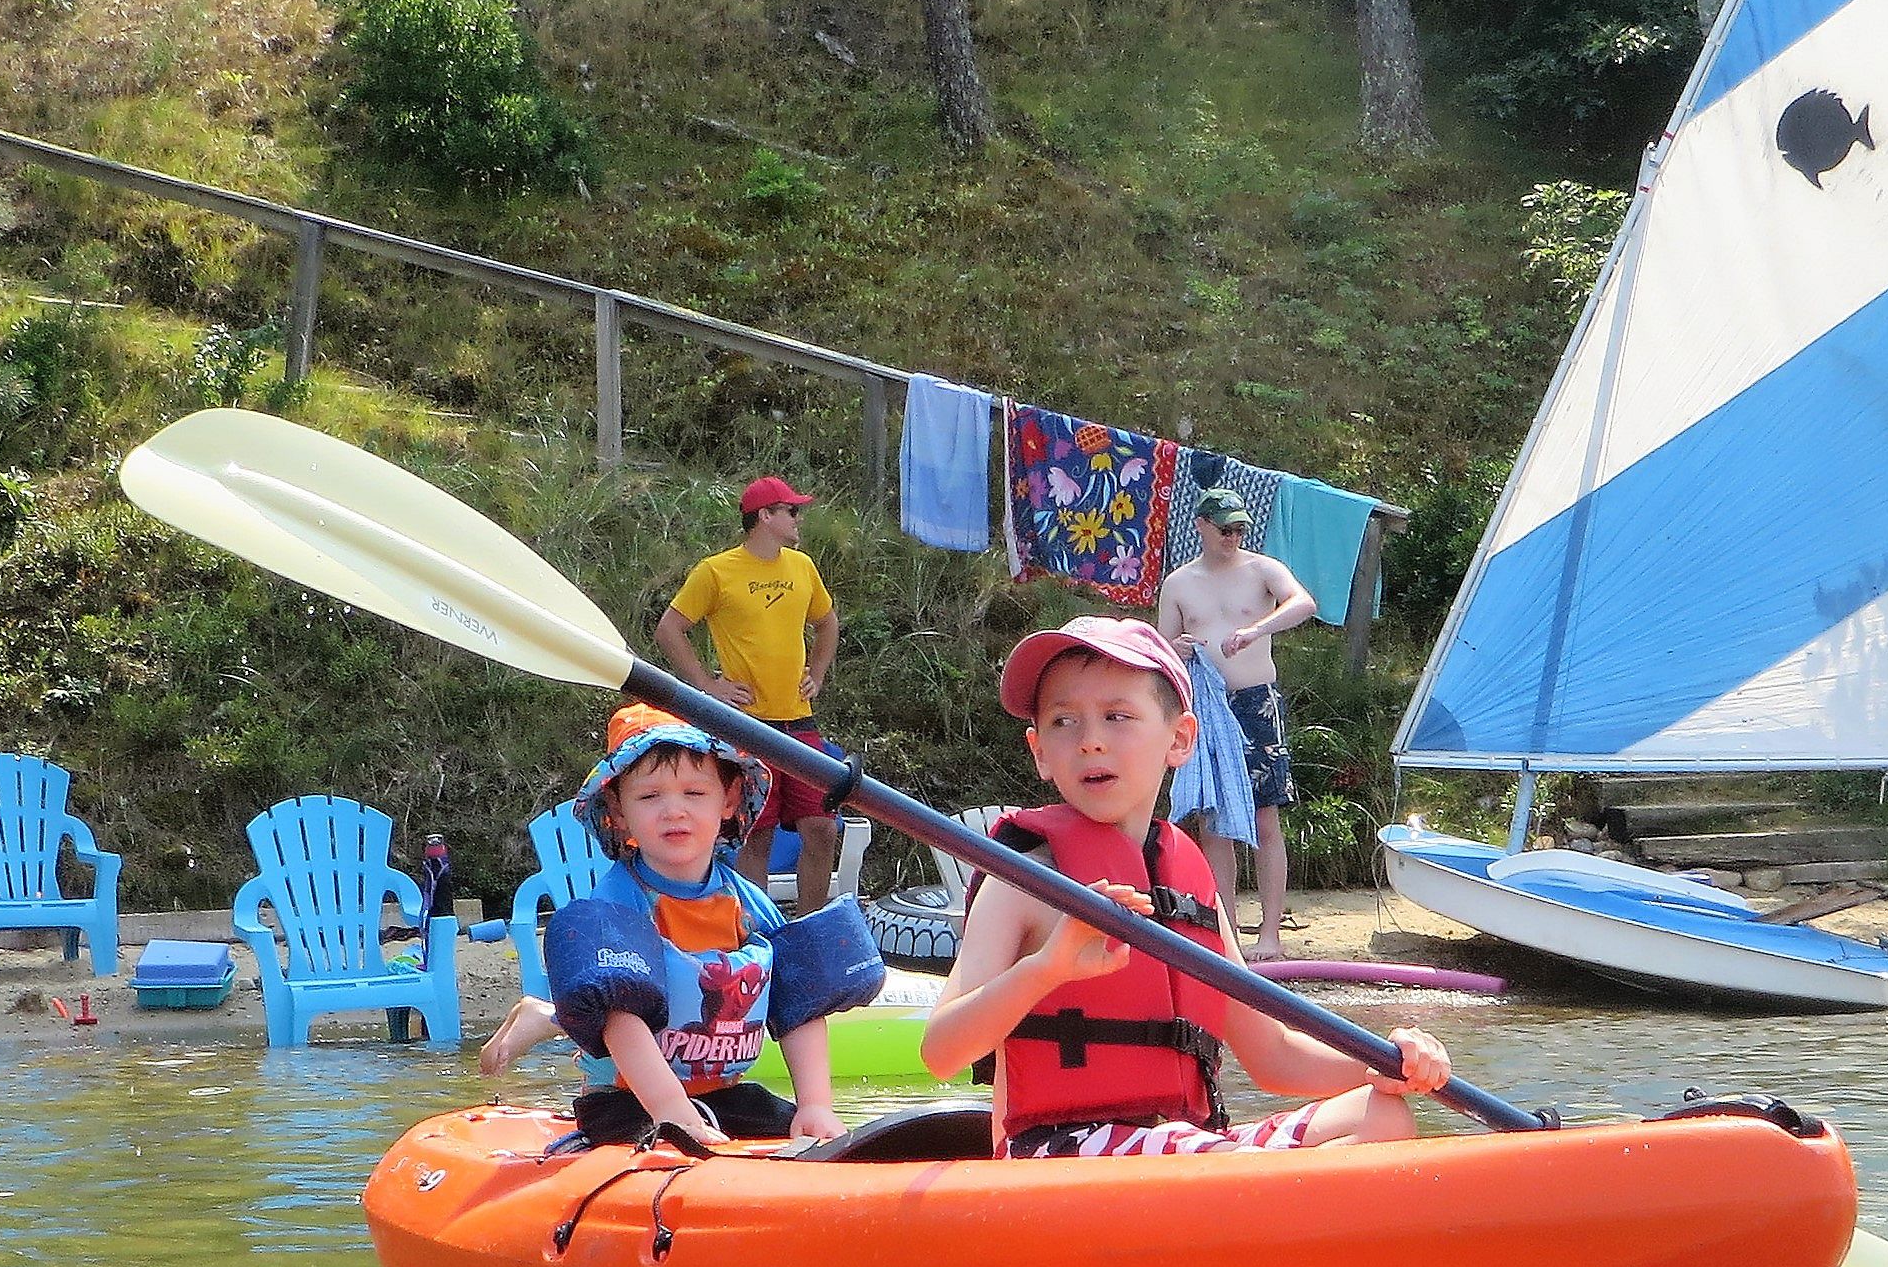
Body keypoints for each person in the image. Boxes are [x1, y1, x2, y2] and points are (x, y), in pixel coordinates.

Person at [920, 615, 1448, 1157]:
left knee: (1380, 1114)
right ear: (1039, 752)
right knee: (1215, 1158)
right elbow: (942, 1052)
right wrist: (1047, 967)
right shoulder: (1024, 879)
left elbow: (1272, 1053)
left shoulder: (1191, 882)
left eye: (1117, 716)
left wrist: (1388, 1064)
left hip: (1185, 1145)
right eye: (1064, 721)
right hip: (1059, 1152)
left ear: (1179, 739)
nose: (1090, 742)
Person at [481, 704, 859, 1146]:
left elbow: (800, 1004)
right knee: (647, 1130)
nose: (673, 811)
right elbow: (621, 1019)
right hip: (627, 1097)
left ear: (729, 801)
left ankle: (547, 1016)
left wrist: (816, 1106)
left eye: (694, 793)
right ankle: (553, 1016)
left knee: (785, 1124)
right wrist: (674, 1114)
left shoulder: (747, 903)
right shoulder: (618, 904)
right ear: (619, 812)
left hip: (721, 1092)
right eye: (649, 797)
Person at [661, 476, 842, 913]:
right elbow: (669, 628)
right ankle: (758, 931)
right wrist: (707, 687)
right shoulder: (717, 571)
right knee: (756, 834)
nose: (798, 519)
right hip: (747, 724)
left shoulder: (802, 567)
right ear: (765, 516)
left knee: (821, 827)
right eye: (791, 511)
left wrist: (817, 674)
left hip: (798, 719)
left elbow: (828, 622)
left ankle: (809, 926)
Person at [1156, 488, 1317, 959]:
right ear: (1202, 526)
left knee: (1266, 816)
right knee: (1213, 821)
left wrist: (1256, 630)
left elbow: (1303, 603)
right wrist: (1177, 650)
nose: (1232, 537)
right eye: (1224, 528)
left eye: (1239, 529)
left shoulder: (1262, 569)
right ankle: (1225, 934)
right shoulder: (1179, 583)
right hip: (1205, 706)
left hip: (1256, 701)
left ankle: (1270, 933)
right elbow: (1161, 648)